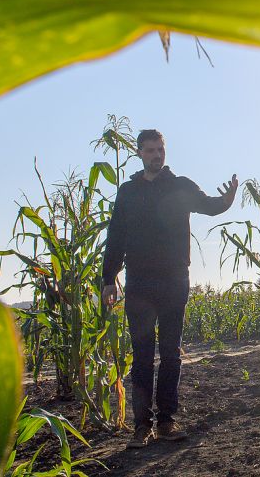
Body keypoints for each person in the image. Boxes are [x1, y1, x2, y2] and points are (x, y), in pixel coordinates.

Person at [101, 129, 238, 449]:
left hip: (175, 279)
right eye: (149, 150)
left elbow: (209, 205)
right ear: (139, 154)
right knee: (143, 357)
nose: (156, 155)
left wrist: (227, 201)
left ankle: (166, 421)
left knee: (172, 354)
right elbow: (116, 236)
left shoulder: (180, 186)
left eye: (160, 149)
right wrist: (109, 278)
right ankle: (141, 426)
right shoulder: (128, 193)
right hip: (139, 283)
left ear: (165, 151)